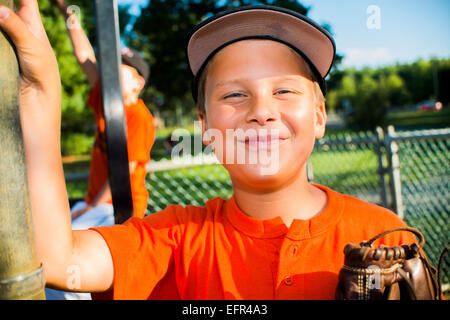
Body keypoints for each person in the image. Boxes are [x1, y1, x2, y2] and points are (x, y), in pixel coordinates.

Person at [0, 2, 420, 300]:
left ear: (319, 116)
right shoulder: (177, 240)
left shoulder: (387, 237)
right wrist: (39, 93)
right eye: (235, 94)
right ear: (204, 126)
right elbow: (56, 260)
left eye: (285, 90)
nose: (261, 112)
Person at [51, 0, 156, 225]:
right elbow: (84, 56)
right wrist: (66, 11)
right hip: (94, 204)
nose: (111, 72)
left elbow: (124, 172)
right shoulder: (106, 99)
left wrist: (90, 208)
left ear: (138, 83)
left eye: (121, 69)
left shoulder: (138, 116)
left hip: (118, 208)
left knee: (60, 251)